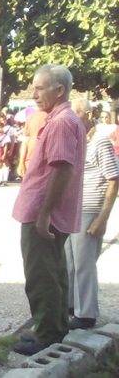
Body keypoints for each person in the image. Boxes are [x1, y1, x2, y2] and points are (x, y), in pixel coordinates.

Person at [12, 64, 86, 356]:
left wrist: (44, 214)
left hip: (44, 213)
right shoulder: (63, 119)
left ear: (60, 90)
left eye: (40, 87)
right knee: (54, 272)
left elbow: (61, 169)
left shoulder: (60, 122)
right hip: (49, 211)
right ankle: (55, 327)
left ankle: (47, 333)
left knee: (41, 274)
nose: (34, 93)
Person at [65, 100, 119, 329]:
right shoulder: (78, 141)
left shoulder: (101, 142)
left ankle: (86, 313)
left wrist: (102, 218)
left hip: (89, 210)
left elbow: (113, 180)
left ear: (88, 114)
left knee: (84, 263)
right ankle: (69, 306)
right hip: (72, 210)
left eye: (76, 114)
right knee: (68, 261)